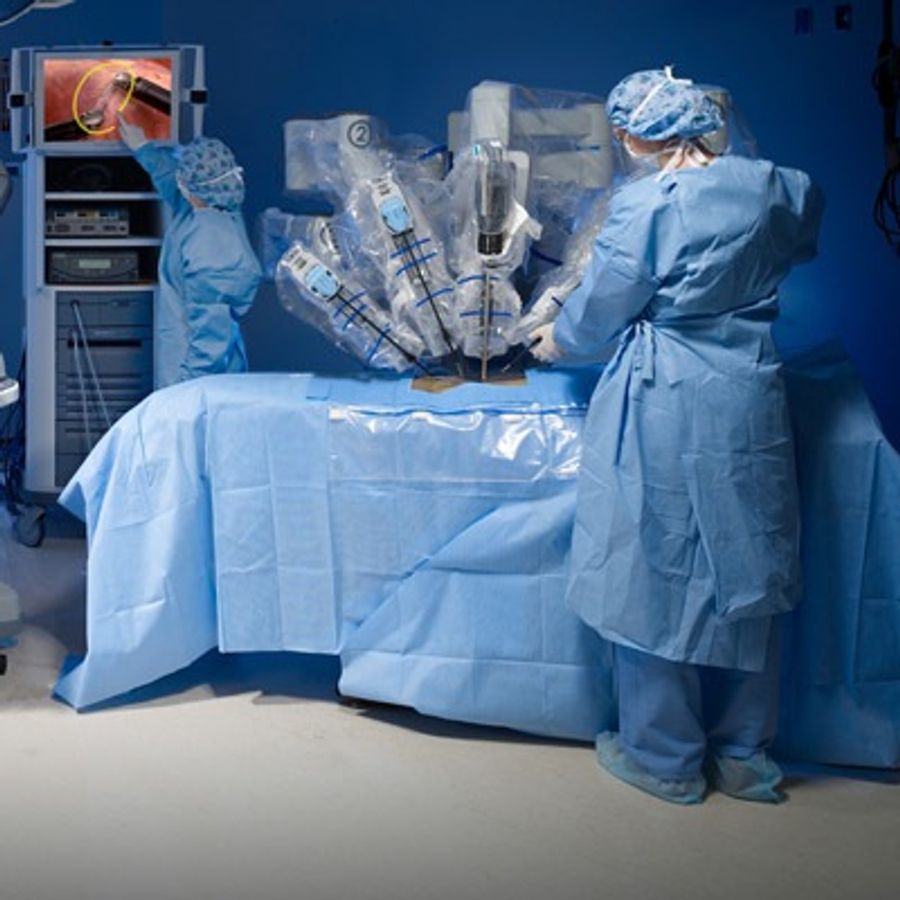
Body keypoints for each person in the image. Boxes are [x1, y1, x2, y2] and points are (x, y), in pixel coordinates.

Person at [529, 68, 824, 804]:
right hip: (748, 390)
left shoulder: (644, 204)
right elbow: (796, 240)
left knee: (654, 572)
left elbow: (601, 308)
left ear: (634, 135)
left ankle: (664, 758)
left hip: (667, 394)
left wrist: (554, 340)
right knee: (748, 568)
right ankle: (744, 756)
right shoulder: (774, 184)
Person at [117, 113, 262, 388]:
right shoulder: (211, 208)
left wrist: (187, 390)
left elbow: (211, 339)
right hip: (189, 364)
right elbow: (173, 183)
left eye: (182, 173)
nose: (178, 178)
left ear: (192, 186)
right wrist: (143, 148)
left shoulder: (213, 249)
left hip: (197, 375)